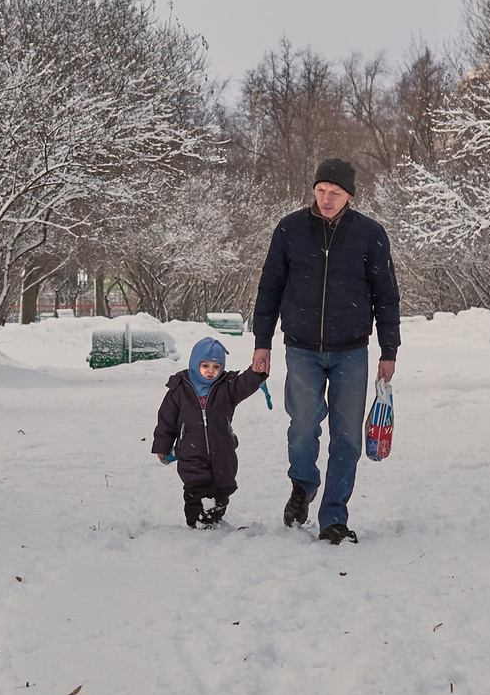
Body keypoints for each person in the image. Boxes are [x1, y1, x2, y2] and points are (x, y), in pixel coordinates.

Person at [251, 157, 400, 544]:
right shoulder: (290, 229)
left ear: (349, 195)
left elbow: (386, 297)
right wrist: (262, 342)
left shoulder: (370, 234)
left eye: (335, 193)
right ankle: (303, 485)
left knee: (347, 436)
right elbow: (269, 288)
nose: (326, 198)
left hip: (351, 351)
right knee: (302, 427)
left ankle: (333, 516)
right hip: (301, 348)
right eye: (320, 190)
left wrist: (389, 349)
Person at [152, 335, 267, 527]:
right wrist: (163, 446)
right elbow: (166, 420)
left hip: (222, 451)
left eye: (216, 367)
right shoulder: (179, 389)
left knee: (222, 488)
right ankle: (197, 521)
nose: (210, 371)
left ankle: (214, 518)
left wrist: (255, 374)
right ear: (195, 363)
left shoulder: (227, 387)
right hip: (190, 451)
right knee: (196, 487)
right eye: (205, 366)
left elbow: (244, 385)